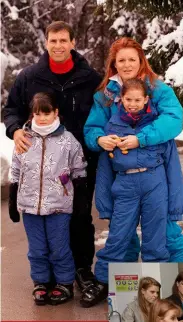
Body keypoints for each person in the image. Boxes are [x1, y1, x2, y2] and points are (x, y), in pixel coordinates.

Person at [81, 36, 183, 304]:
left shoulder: (157, 89)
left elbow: (173, 120)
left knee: (165, 232)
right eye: (121, 60)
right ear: (113, 65)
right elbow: (93, 128)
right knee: (122, 234)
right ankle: (122, 295)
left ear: (141, 61)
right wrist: (99, 139)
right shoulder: (105, 96)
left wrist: (142, 138)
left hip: (155, 171)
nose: (127, 64)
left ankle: (179, 284)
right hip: (121, 174)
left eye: (132, 59)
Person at [4, 21, 102, 290]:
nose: (58, 45)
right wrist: (15, 131)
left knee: (80, 217)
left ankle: (81, 269)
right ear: (46, 43)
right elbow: (11, 110)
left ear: (73, 43)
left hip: (80, 162)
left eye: (63, 40)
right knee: (45, 224)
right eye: (53, 41)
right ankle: (47, 278)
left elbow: (104, 113)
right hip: (41, 165)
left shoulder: (90, 79)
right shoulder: (29, 77)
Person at [9, 92, 88, 305]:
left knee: (59, 247)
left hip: (58, 206)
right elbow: (16, 169)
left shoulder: (68, 140)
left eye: (46, 113)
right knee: (36, 249)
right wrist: (13, 197)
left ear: (56, 113)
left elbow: (79, 168)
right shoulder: (24, 138)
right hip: (29, 205)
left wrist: (79, 196)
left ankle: (64, 283)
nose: (42, 118)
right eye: (37, 113)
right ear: (32, 114)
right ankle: (41, 282)